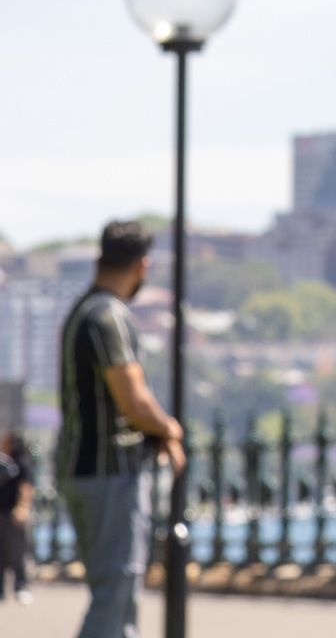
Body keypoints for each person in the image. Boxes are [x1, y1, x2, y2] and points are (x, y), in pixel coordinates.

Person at [58, 220, 182, 638]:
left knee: (112, 591)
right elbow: (134, 399)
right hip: (109, 472)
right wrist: (169, 429)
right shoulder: (108, 315)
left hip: (81, 467)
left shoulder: (82, 311)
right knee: (117, 590)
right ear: (142, 266)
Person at [0, 427, 33, 602]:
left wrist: (22, 507)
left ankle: (22, 586)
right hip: (1, 513)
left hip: (14, 515)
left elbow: (26, 486)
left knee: (16, 552)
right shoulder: (3, 462)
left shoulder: (21, 463)